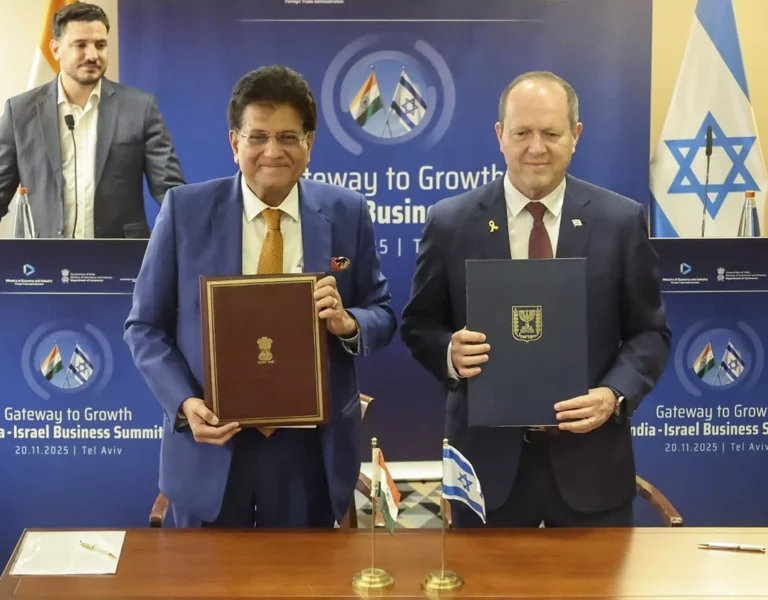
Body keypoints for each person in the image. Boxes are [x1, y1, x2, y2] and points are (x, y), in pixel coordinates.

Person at [124, 65, 396, 528]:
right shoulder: (185, 211)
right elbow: (144, 327)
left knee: (301, 571)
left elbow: (383, 314)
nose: (273, 151)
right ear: (235, 143)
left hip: (307, 453)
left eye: (288, 137)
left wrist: (347, 323)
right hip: (211, 445)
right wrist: (185, 404)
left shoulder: (346, 212)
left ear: (309, 143)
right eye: (258, 137)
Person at [401, 71, 671, 528]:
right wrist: (449, 353)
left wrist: (613, 395)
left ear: (575, 136)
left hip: (592, 467)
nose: (536, 148)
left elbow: (650, 332)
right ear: (500, 135)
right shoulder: (450, 222)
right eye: (522, 132)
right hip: (487, 472)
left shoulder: (621, 221)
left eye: (551, 133)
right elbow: (419, 326)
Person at [0, 2, 184, 238]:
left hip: (120, 253)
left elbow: (170, 190)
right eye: (80, 45)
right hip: (44, 254)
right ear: (56, 49)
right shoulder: (21, 112)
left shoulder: (140, 107)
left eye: (100, 45)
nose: (92, 55)